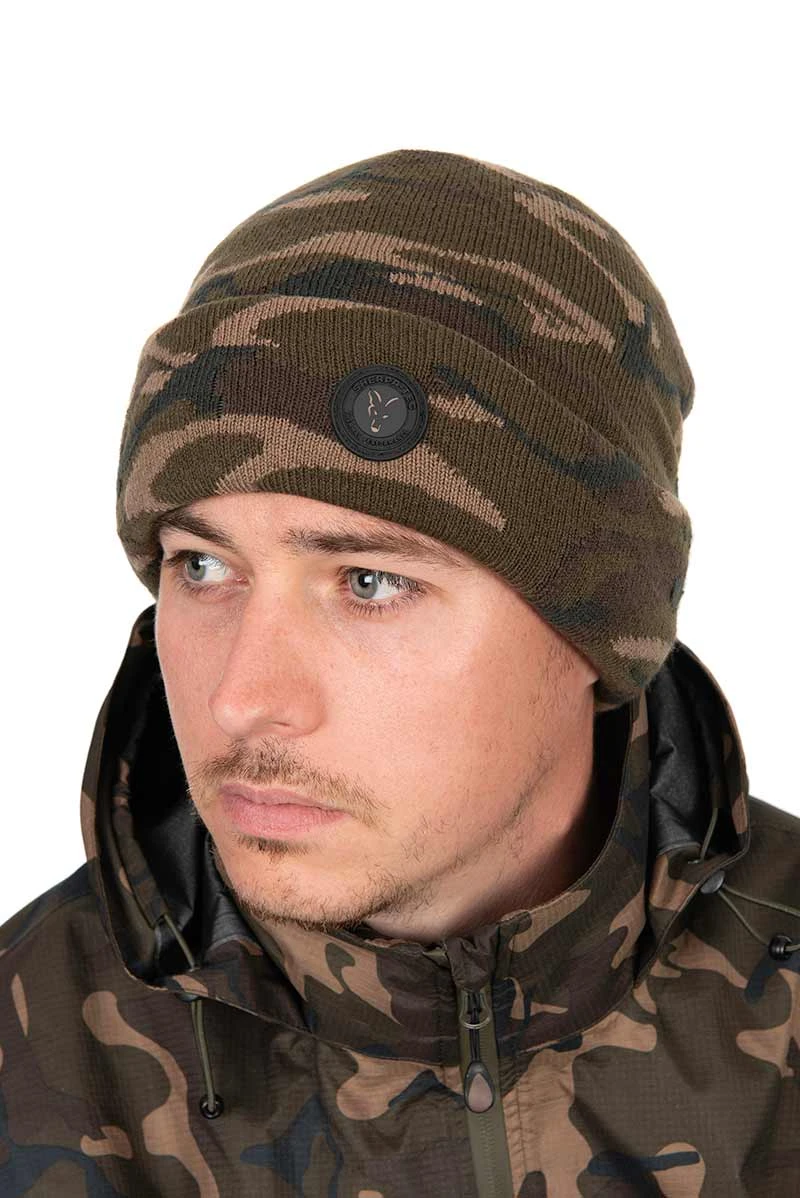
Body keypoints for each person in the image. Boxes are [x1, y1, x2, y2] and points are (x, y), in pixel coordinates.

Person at [1, 148, 798, 1197]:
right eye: (202, 567)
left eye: (370, 582)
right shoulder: (29, 1057)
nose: (243, 698)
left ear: (599, 626)